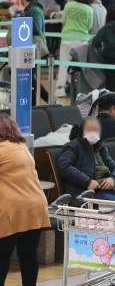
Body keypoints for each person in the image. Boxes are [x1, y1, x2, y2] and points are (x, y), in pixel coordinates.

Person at [0, 116, 50, 286]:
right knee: (28, 255)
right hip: (36, 208)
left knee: (2, 254)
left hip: (15, 211)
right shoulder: (22, 147)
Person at [59, 116, 115, 204]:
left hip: (112, 191)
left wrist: (113, 178)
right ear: (82, 131)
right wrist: (87, 182)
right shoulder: (73, 146)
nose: (93, 132)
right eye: (89, 129)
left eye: (96, 130)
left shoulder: (101, 148)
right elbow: (64, 166)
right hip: (88, 194)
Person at [55, 0, 93, 97]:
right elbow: (89, 26)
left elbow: (64, 21)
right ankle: (82, 88)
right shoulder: (89, 9)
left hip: (67, 38)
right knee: (82, 66)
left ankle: (61, 89)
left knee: (64, 64)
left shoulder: (68, 5)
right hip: (82, 40)